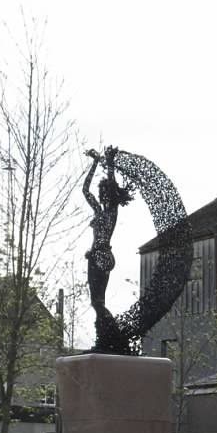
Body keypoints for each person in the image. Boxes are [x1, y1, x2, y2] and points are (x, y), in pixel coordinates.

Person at [82, 146, 134, 349]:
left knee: (98, 302)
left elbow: (112, 188)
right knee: (96, 301)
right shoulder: (98, 211)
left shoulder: (111, 213)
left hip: (103, 255)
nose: (102, 196)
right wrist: (95, 163)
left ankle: (111, 335)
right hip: (95, 256)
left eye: (105, 193)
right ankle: (106, 335)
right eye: (101, 193)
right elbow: (85, 190)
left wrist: (110, 164)